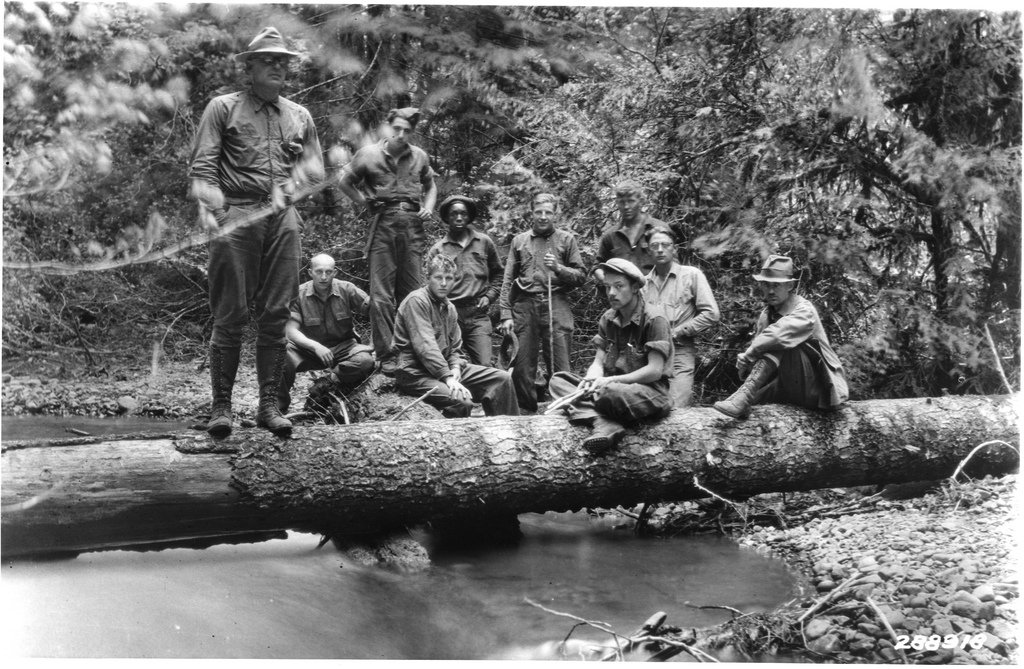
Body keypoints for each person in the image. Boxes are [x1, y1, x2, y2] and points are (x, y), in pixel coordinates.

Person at [189, 27, 324, 438]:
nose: (277, 66)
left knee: (277, 314)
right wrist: (216, 211)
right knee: (230, 314)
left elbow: (316, 172)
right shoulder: (223, 108)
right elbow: (202, 167)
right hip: (237, 214)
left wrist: (297, 182)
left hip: (282, 218)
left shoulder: (299, 115)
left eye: (283, 61)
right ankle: (221, 409)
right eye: (267, 60)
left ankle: (268, 405)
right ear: (249, 67)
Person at [339, 107, 438, 376]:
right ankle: (385, 355)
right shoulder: (369, 154)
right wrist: (364, 202)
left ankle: (410, 352)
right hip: (383, 224)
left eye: (407, 131)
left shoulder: (419, 157)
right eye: (397, 129)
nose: (401, 134)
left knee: (412, 293)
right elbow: (345, 181)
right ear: (389, 126)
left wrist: (428, 206)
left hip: (412, 227)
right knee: (381, 296)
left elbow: (431, 186)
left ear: (412, 132)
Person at [549, 259, 674, 454]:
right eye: (607, 287)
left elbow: (654, 371)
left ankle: (592, 414)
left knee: (610, 393)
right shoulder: (608, 318)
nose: (612, 293)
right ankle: (604, 422)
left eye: (619, 286)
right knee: (559, 381)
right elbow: (599, 361)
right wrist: (592, 377)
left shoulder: (654, 319)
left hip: (649, 391)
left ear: (634, 287)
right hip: (609, 387)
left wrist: (610, 381)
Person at [714, 255, 849, 419]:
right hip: (787, 384)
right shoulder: (766, 315)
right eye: (766, 284)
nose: (770, 291)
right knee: (745, 410)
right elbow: (761, 363)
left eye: (776, 285)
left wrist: (751, 352)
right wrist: (746, 363)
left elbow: (778, 335)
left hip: (819, 388)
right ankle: (742, 397)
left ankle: (744, 395)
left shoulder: (804, 309)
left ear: (790, 285)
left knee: (781, 340)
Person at [392, 255, 519, 418]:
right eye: (438, 277)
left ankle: (509, 432)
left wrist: (456, 368)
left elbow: (455, 348)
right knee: (462, 400)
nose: (444, 283)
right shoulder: (417, 301)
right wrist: (448, 377)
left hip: (443, 369)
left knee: (501, 380)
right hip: (415, 372)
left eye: (449, 278)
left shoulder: (449, 307)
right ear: (428, 278)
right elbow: (425, 347)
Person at [498, 193, 587, 412]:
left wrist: (558, 268)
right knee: (522, 363)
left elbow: (581, 276)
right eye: (539, 212)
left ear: (555, 213)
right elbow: (508, 279)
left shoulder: (566, 239)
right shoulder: (519, 241)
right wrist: (505, 313)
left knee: (560, 361)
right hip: (524, 305)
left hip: (556, 303)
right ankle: (526, 412)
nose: (543, 216)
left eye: (548, 212)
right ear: (532, 213)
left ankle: (565, 409)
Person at [279, 253, 374, 414]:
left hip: (344, 348)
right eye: (319, 271)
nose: (324, 277)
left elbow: (377, 311)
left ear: (335, 272)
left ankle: (328, 381)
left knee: (365, 362)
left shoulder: (346, 289)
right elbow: (291, 330)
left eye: (328, 272)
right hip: (309, 351)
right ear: (310, 272)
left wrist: (372, 345)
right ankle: (277, 408)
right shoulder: (299, 293)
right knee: (281, 353)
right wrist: (315, 346)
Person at [642, 227, 720, 407]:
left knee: (678, 407)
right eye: (655, 246)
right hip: (651, 354)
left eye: (665, 245)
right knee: (646, 406)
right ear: (648, 251)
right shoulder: (643, 284)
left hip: (680, 351)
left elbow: (711, 313)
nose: (660, 249)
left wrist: (677, 332)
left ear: (674, 249)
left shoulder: (691, 275)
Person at [425, 195, 504, 366]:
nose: (459, 218)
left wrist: (489, 297)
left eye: (463, 213)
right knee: (446, 364)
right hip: (450, 314)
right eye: (453, 214)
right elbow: (430, 285)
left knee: (485, 366)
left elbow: (498, 274)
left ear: (469, 217)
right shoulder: (438, 249)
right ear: (447, 218)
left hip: (478, 314)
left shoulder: (484, 242)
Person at [594, 180, 668, 278]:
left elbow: (673, 266)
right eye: (622, 202)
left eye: (631, 201)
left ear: (640, 201)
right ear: (617, 202)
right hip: (623, 292)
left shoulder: (659, 228)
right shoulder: (611, 235)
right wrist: (610, 284)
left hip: (654, 290)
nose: (626, 206)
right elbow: (597, 267)